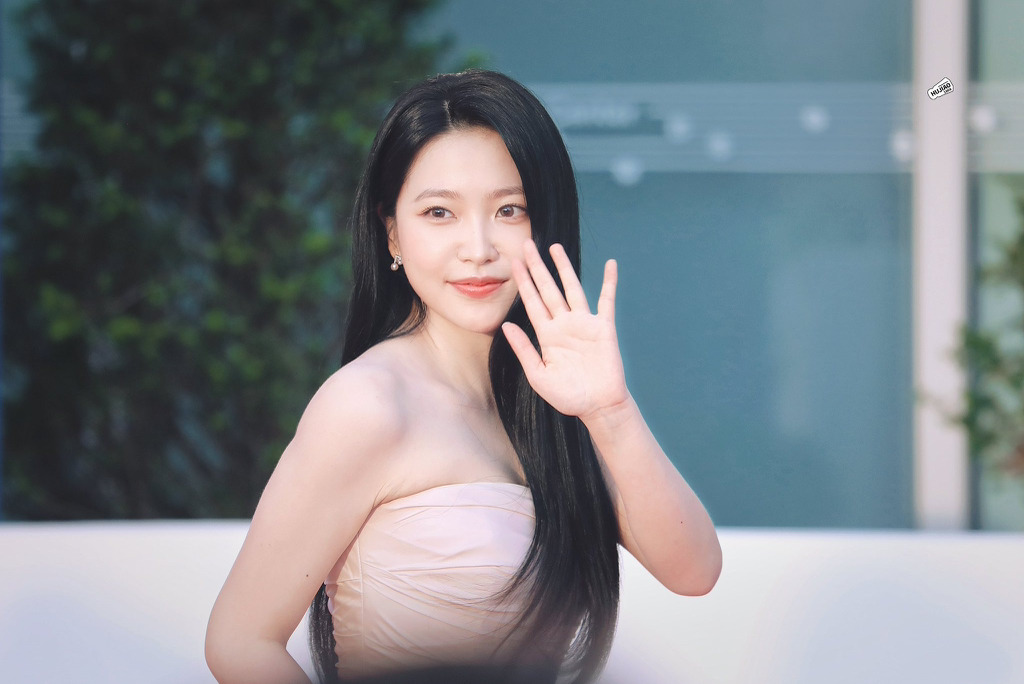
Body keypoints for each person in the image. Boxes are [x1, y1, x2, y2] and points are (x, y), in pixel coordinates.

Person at [205, 69, 722, 684]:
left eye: (509, 210)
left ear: (545, 221)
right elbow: (240, 642)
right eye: (439, 212)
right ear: (392, 232)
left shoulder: (552, 406)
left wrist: (611, 413)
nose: (478, 248)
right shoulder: (368, 405)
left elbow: (693, 571)